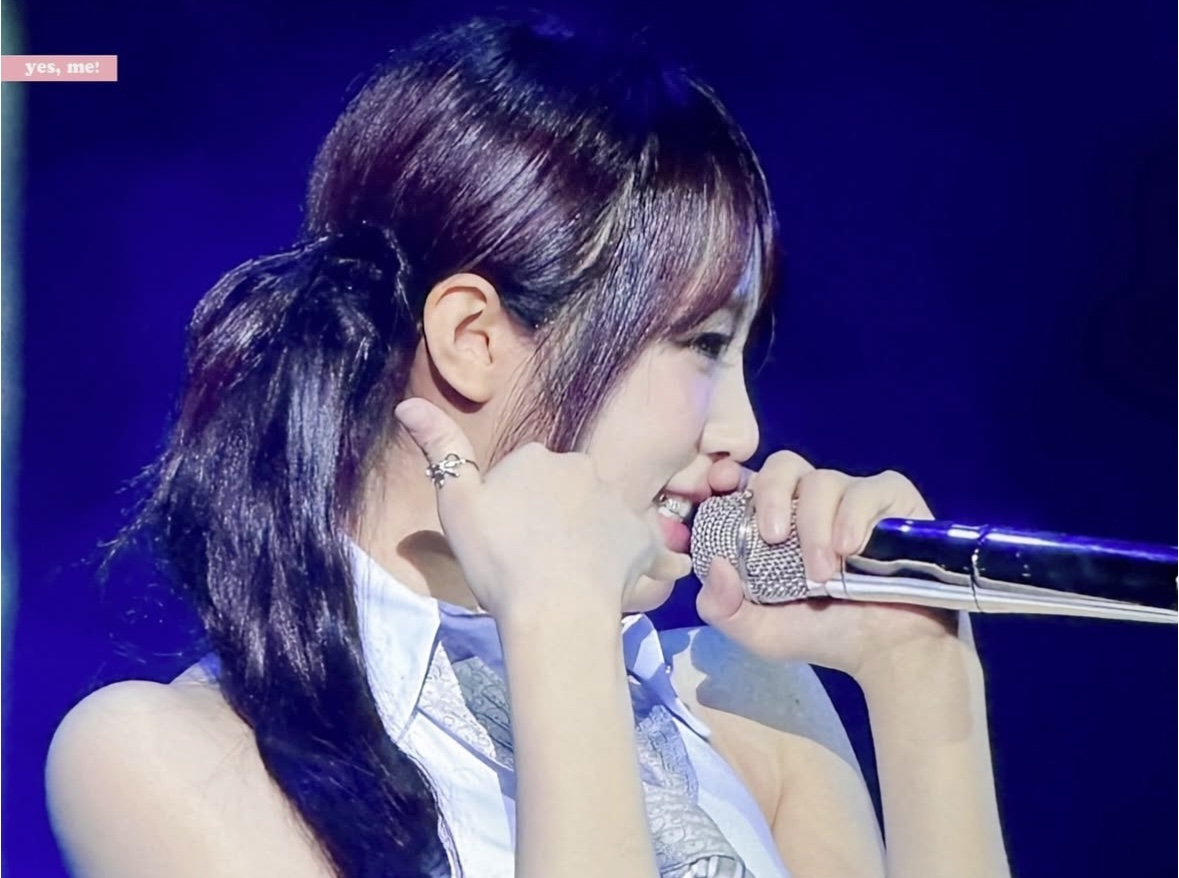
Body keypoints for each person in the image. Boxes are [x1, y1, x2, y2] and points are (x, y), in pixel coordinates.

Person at [44, 12, 1011, 878]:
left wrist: (920, 675)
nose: (743, 432)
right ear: (473, 338)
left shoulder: (746, 700)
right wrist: (559, 617)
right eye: (704, 344)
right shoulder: (171, 758)